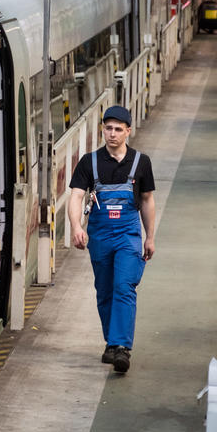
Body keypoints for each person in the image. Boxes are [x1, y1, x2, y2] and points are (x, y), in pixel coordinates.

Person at [68, 105, 156, 374]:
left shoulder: (141, 162)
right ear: (103, 130)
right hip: (100, 235)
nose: (113, 133)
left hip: (128, 234)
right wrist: (76, 226)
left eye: (118, 129)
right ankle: (112, 343)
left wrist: (150, 237)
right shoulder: (89, 162)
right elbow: (76, 196)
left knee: (124, 286)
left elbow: (147, 200)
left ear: (128, 131)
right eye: (108, 128)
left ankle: (122, 348)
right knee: (105, 290)